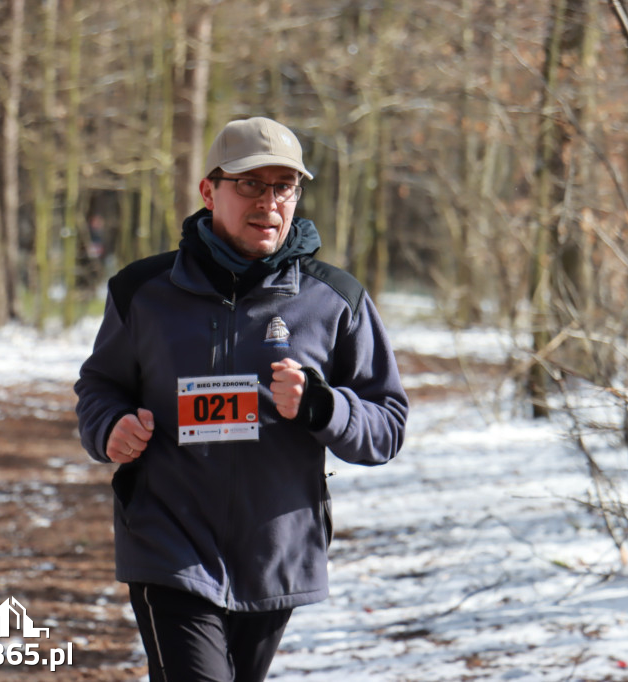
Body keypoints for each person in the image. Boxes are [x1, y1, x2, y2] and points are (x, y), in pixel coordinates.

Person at [74, 116, 409, 681]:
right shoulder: (143, 292)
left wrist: (323, 407)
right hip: (167, 542)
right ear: (209, 191)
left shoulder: (335, 300)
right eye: (250, 184)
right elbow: (100, 387)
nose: (270, 202)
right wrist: (110, 427)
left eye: (284, 186)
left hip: (273, 550)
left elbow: (388, 424)